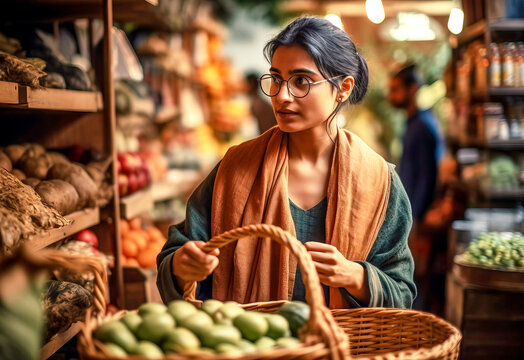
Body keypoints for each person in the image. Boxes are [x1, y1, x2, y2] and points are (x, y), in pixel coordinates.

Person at [157, 16, 416, 309]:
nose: (281, 96)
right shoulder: (235, 168)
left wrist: (355, 276)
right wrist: (183, 265)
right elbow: (175, 255)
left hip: (344, 350)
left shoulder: (378, 182)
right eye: (277, 79)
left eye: (301, 81)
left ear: (343, 88)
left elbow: (402, 293)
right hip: (247, 348)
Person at [387, 64, 444, 221]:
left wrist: (415, 218)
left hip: (416, 216)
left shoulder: (421, 126)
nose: (390, 96)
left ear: (412, 89)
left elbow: (426, 178)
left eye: (395, 90)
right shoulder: (413, 123)